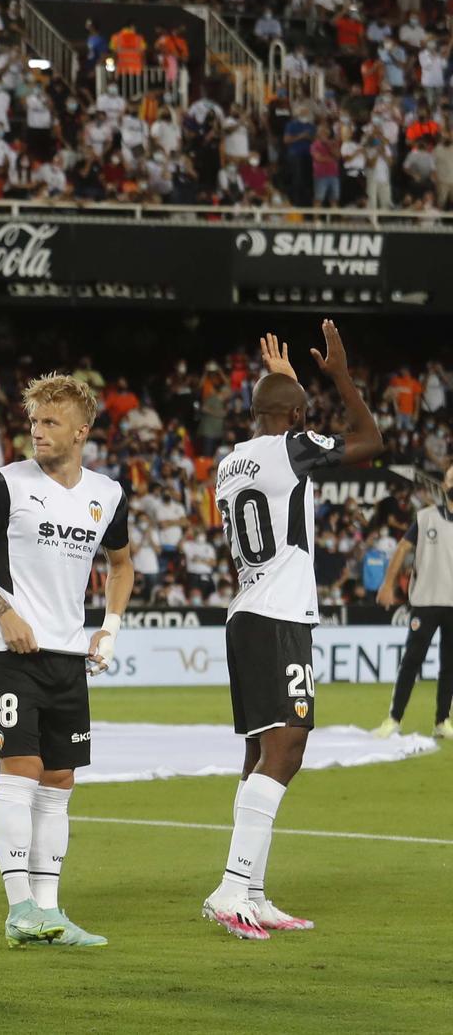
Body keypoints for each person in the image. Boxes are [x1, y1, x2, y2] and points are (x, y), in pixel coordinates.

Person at [202, 325, 381, 938]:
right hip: (279, 616)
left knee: (258, 752)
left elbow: (279, 431)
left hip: (247, 611)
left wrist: (288, 390)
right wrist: (337, 375)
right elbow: (371, 440)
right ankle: (230, 889)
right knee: (288, 747)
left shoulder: (230, 463)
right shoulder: (293, 448)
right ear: (298, 415)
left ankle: (250, 890)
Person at [0, 372, 134, 949]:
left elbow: (122, 564)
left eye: (50, 422)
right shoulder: (6, 484)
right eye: (33, 421)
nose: (37, 431)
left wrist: (109, 627)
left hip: (67, 657)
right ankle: (18, 910)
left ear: (81, 431)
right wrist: (4, 615)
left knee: (60, 781)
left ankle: (50, 915)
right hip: (10, 655)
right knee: (21, 776)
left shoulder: (106, 494)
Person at [375, 465, 453, 740]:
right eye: (451, 477)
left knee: (450, 666)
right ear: (444, 485)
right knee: (411, 661)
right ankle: (394, 718)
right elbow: (402, 549)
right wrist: (388, 584)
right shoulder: (426, 517)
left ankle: (442, 721)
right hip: (426, 602)